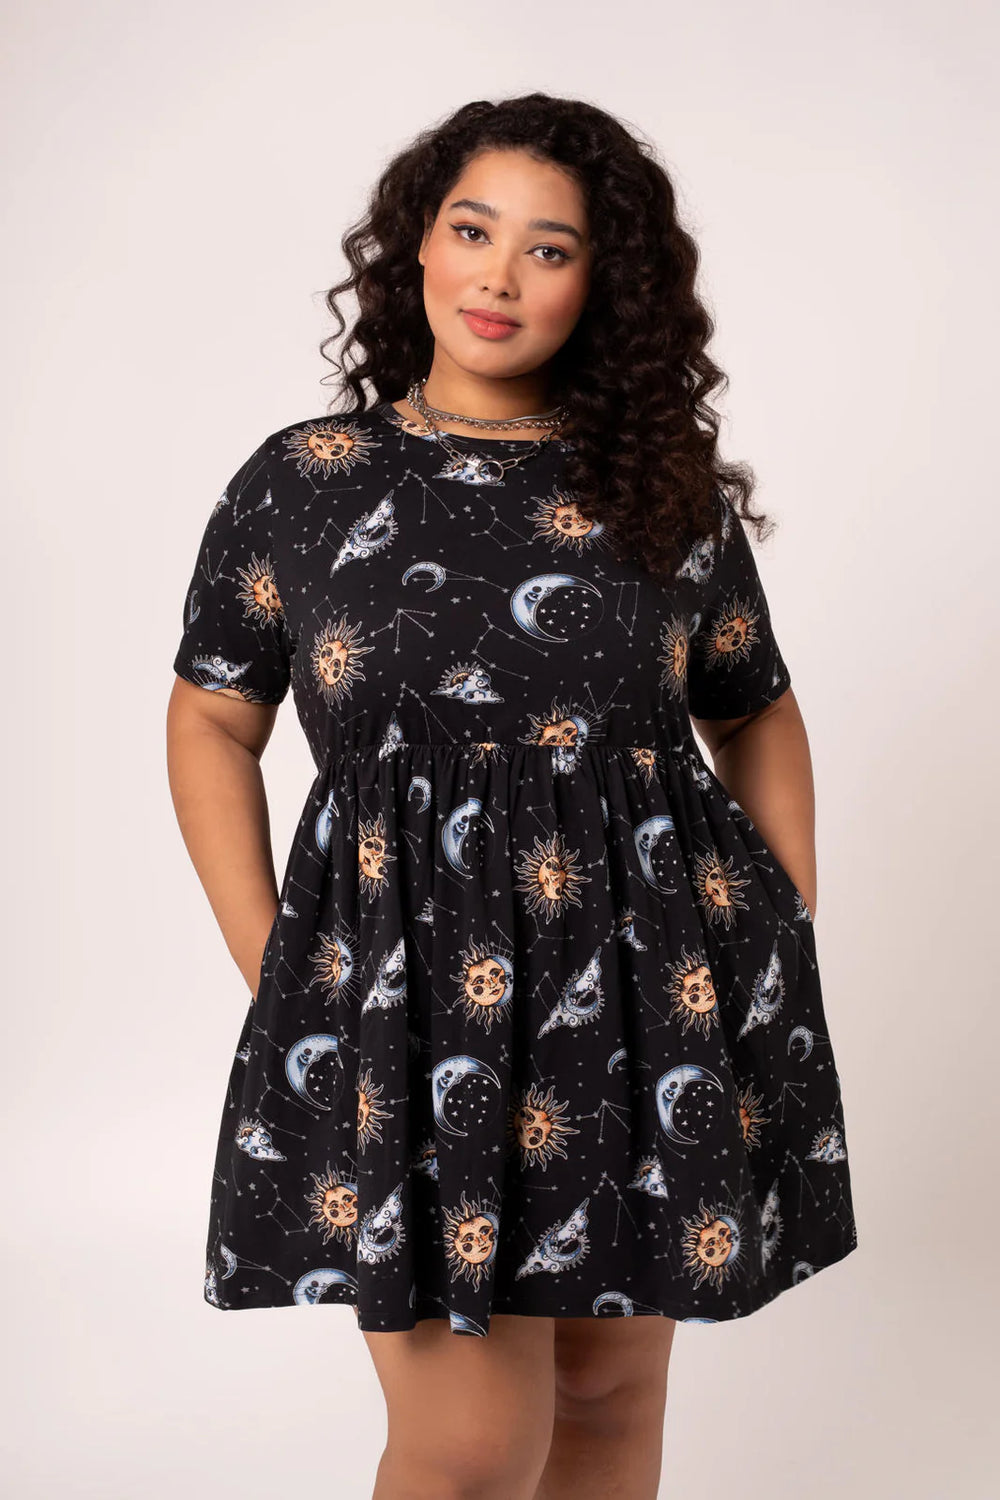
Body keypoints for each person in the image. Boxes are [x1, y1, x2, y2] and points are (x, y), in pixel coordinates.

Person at [166, 93, 858, 1500]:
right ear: (416, 248)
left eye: (550, 249)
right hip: (408, 1006)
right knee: (471, 1448)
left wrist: (779, 913)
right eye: (472, 231)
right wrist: (274, 957)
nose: (499, 276)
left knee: (605, 1401)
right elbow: (211, 719)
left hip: (645, 1003)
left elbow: (753, 705)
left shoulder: (662, 494)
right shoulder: (305, 483)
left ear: (603, 288)